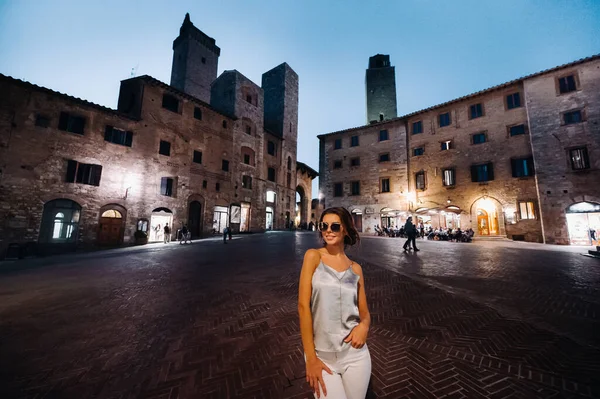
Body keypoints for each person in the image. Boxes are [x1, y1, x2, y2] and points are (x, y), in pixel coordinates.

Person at [298, 207, 371, 399]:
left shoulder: (356, 269)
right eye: (324, 226)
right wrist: (310, 358)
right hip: (322, 356)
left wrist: (364, 327)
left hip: (355, 355)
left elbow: (364, 314)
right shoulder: (313, 256)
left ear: (345, 230)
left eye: (335, 226)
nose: (328, 230)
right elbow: (303, 307)